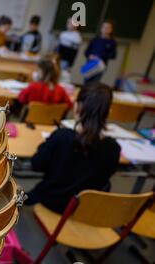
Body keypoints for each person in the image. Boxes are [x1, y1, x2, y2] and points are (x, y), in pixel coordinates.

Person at [25, 82, 121, 213]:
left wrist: (48, 143)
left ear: (76, 107)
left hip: (51, 202)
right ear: (108, 112)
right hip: (83, 210)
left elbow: (36, 164)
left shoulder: (61, 136)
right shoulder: (113, 148)